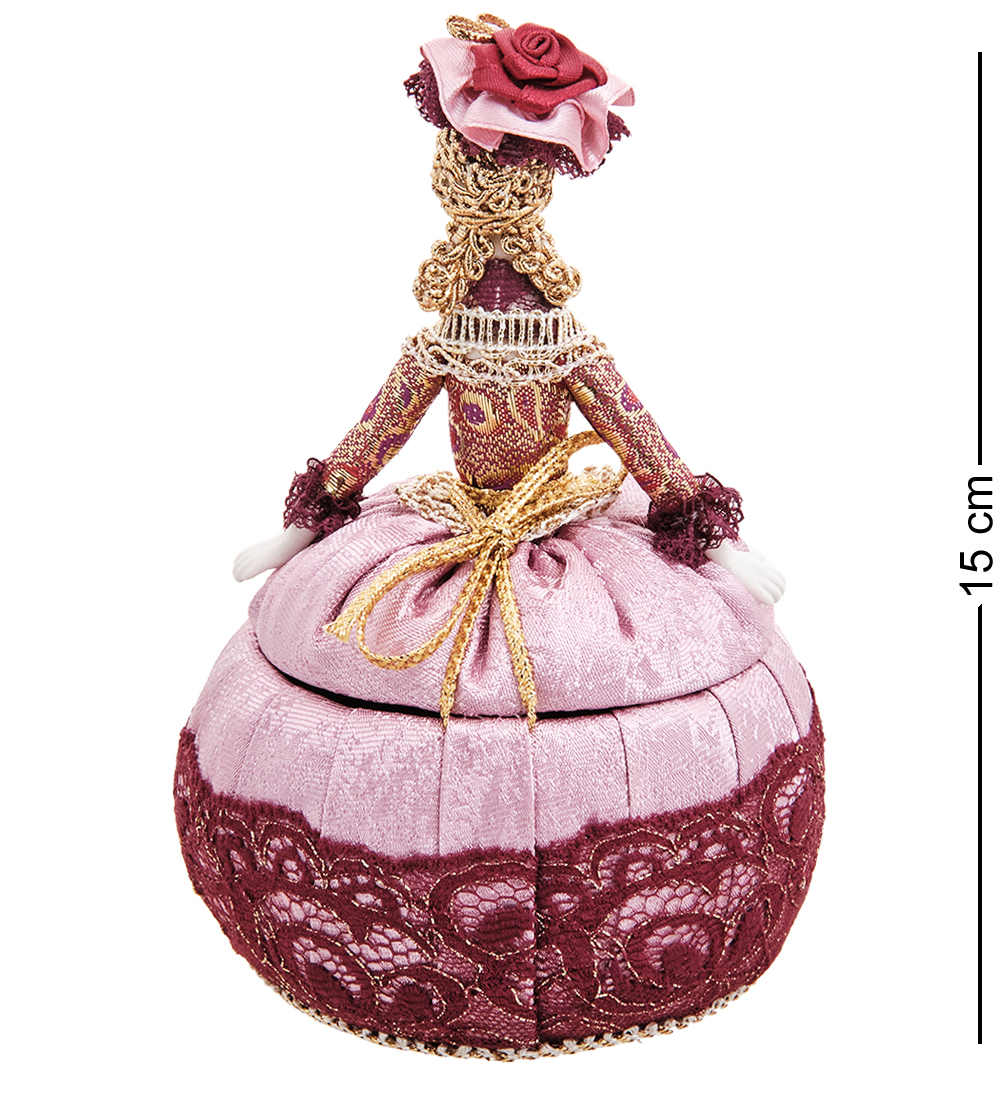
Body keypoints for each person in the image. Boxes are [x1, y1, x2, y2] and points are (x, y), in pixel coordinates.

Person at [176, 16, 822, 1056]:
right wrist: (311, 519)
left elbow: (640, 437)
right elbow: (377, 428)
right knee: (326, 650)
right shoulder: (442, 343)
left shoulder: (567, 346)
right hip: (455, 519)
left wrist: (704, 529)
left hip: (557, 522)